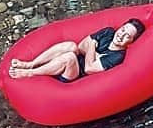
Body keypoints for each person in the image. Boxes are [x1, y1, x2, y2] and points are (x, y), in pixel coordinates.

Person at [9, 19, 145, 83]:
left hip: (76, 75)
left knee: (70, 57)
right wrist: (93, 55)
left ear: (131, 41)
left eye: (127, 35)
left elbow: (89, 69)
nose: (121, 35)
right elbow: (81, 46)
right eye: (122, 30)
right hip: (78, 59)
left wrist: (92, 45)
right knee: (71, 46)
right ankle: (31, 64)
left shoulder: (117, 56)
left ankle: (30, 73)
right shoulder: (109, 32)